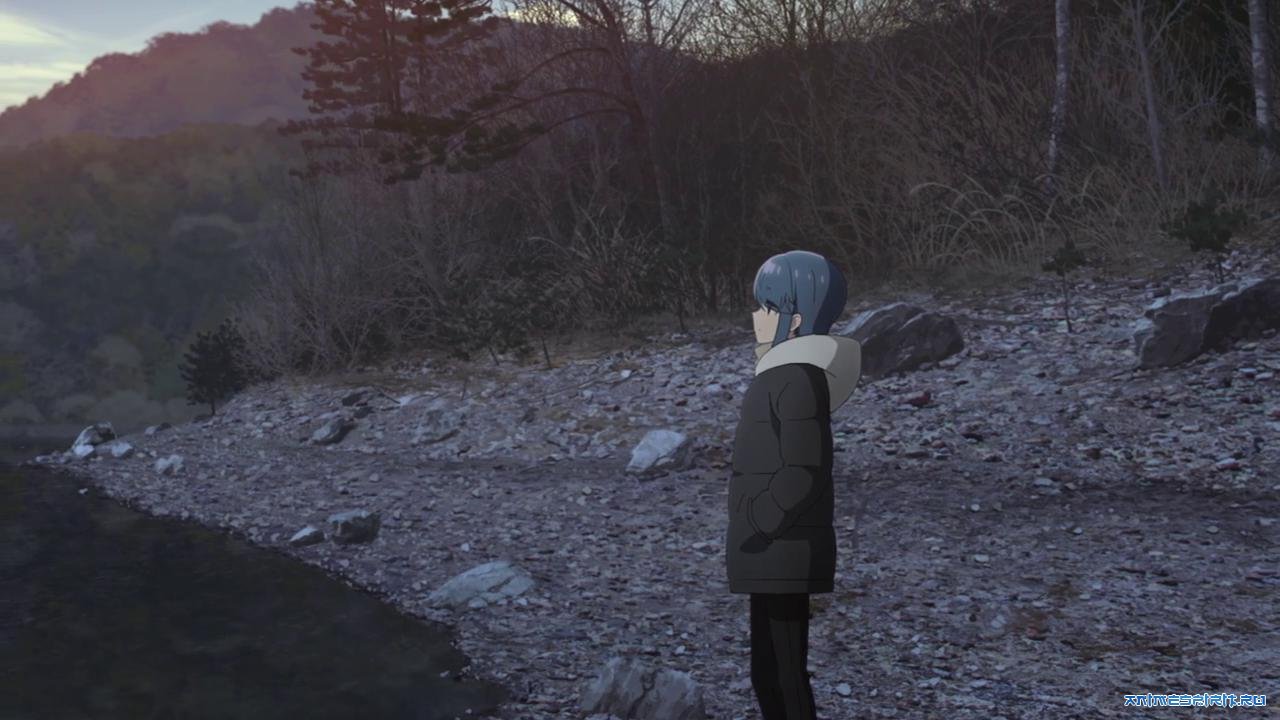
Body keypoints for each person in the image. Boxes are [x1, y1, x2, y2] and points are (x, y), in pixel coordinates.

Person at [726, 250, 862, 720]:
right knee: (768, 672)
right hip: (771, 549)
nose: (756, 317)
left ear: (795, 318)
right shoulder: (782, 374)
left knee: (784, 673)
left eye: (766, 308)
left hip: (782, 547)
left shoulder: (795, 378)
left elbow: (803, 469)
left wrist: (758, 518)